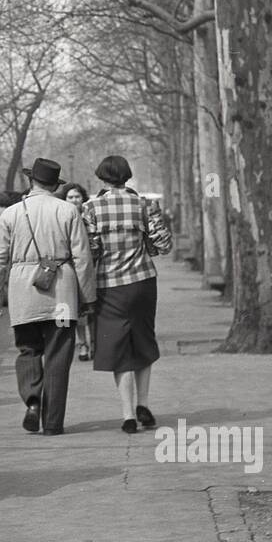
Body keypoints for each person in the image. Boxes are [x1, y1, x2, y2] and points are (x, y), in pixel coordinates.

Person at [0, 157, 96, 435]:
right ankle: (53, 423)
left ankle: (32, 402)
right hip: (61, 294)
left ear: (31, 181)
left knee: (28, 349)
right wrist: (86, 298)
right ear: (55, 184)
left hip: (24, 292)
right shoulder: (68, 211)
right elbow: (83, 258)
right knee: (58, 354)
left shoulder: (10, 214)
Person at [81, 155, 161, 434]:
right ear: (127, 176)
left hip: (109, 285)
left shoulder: (90, 208)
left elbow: (91, 251)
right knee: (143, 342)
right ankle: (145, 403)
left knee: (119, 348)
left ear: (102, 176)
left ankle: (127, 415)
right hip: (142, 281)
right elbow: (163, 243)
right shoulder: (146, 204)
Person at [58, 181, 96, 361]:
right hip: (69, 269)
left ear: (83, 198)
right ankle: (80, 344)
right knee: (70, 309)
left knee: (91, 308)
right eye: (70, 197)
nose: (74, 200)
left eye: (77, 197)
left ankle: (94, 343)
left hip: (91, 266)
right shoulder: (60, 217)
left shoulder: (90, 216)